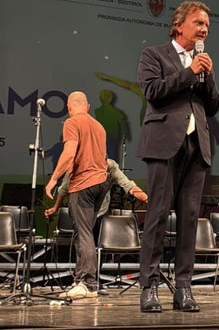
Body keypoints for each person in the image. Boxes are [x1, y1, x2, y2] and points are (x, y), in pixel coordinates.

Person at [136, 0, 219, 313]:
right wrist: (189, 72)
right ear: (179, 25)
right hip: (163, 144)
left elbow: (212, 106)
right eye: (199, 24)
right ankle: (149, 287)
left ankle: (183, 288)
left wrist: (207, 75)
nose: (204, 30)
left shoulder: (203, 61)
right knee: (157, 217)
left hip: (196, 147)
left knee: (188, 220)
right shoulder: (154, 54)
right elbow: (153, 91)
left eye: (207, 26)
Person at [44, 91, 108, 299]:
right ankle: (89, 285)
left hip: (83, 185)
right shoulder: (99, 126)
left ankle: (85, 282)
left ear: (68, 107)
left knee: (83, 234)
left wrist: (54, 179)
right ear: (88, 107)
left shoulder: (72, 123)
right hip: (100, 184)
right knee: (87, 233)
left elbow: (69, 153)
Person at [44, 158, 148, 232]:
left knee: (98, 245)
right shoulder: (78, 165)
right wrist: (55, 208)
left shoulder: (111, 168)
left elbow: (129, 186)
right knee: (83, 245)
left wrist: (148, 200)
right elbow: (63, 190)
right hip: (82, 213)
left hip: (100, 213)